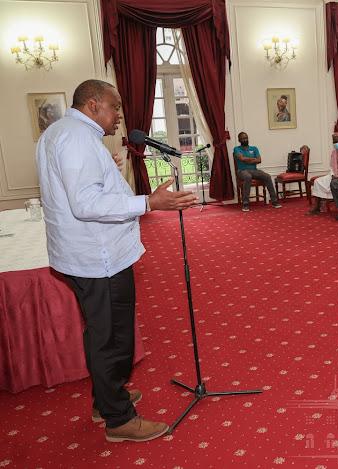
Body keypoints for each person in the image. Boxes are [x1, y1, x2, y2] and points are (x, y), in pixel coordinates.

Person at [35, 79, 199, 442]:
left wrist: (106, 173)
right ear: (93, 105)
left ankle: (106, 399)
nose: (119, 117)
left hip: (83, 254)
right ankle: (119, 419)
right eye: (115, 108)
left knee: (101, 333)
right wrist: (148, 203)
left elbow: (79, 188)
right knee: (113, 338)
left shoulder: (61, 132)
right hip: (99, 257)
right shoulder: (78, 139)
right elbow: (87, 205)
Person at [307, 132, 338, 215]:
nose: (336, 144)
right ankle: (317, 207)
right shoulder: (335, 151)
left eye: (337, 142)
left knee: (335, 184)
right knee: (317, 182)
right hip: (334, 175)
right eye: (334, 142)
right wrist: (333, 174)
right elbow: (332, 166)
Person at [233, 132, 282, 211]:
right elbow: (242, 159)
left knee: (267, 176)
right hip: (242, 171)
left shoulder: (254, 148)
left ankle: (274, 201)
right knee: (247, 177)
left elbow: (259, 160)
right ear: (239, 140)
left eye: (246, 138)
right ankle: (245, 204)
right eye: (243, 139)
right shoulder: (237, 149)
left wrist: (248, 160)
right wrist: (253, 159)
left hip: (254, 170)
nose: (245, 140)